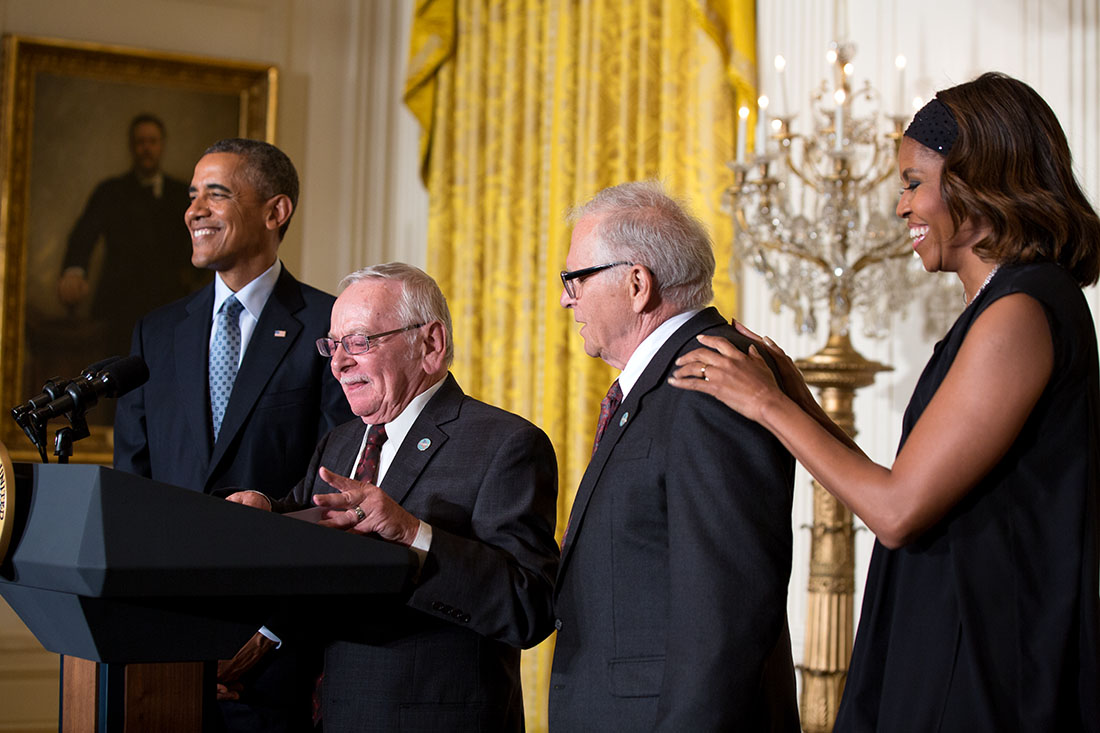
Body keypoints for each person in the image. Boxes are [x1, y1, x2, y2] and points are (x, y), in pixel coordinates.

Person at [670, 72, 1100, 732]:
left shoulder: (1020, 312)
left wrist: (766, 406)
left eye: (912, 182)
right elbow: (902, 488)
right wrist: (800, 402)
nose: (901, 207)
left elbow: (895, 512)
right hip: (952, 643)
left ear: (973, 178)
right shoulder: (1005, 307)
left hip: (981, 670)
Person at [226, 262, 560, 732]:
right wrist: (267, 514)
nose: (340, 363)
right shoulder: (339, 442)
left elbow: (530, 609)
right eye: (334, 346)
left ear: (430, 344)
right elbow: (312, 538)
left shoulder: (505, 444)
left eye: (359, 342)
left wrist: (414, 536)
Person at [113, 138, 353, 732]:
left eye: (215, 193)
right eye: (193, 195)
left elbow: (339, 490)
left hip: (279, 659)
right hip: (162, 652)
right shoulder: (156, 333)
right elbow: (132, 487)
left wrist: (271, 634)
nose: (193, 209)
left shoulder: (333, 327)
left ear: (277, 211)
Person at [547, 181, 800, 731]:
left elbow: (726, 611)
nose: (567, 297)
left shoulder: (709, 380)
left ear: (637, 283)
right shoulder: (669, 382)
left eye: (575, 279)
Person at [58, 113, 206, 359]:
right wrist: (74, 270)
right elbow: (84, 234)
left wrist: (193, 274)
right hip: (118, 309)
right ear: (131, 147)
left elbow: (202, 237)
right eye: (140, 142)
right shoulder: (110, 192)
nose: (146, 148)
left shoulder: (183, 194)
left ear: (162, 145)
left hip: (169, 304)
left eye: (152, 141)